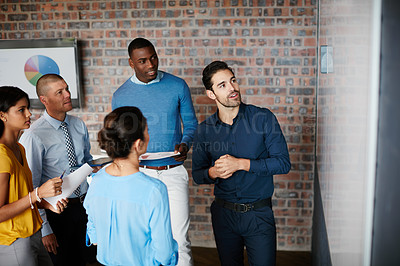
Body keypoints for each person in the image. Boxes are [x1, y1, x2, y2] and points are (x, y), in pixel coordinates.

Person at [192, 61, 291, 266]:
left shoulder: (264, 118)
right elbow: (197, 175)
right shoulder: (205, 130)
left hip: (259, 215)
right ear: (211, 94)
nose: (232, 88)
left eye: (233, 81)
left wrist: (241, 164)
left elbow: (283, 163)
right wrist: (213, 172)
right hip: (223, 216)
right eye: (223, 85)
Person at [112, 37, 197, 266]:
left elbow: (190, 124)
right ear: (131, 63)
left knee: (179, 239)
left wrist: (185, 144)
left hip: (173, 172)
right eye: (142, 61)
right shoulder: (120, 96)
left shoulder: (178, 85)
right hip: (140, 175)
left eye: (153, 58)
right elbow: (120, 138)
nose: (150, 65)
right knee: (144, 238)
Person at [84, 106, 179, 265]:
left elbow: (94, 237)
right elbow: (165, 253)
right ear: (138, 144)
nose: (149, 135)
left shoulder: (96, 179)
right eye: (147, 130)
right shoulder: (154, 190)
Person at [19, 75, 96, 266]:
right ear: (44, 99)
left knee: (88, 261)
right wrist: (45, 230)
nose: (68, 95)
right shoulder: (33, 135)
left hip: (84, 207)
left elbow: (87, 163)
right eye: (59, 92)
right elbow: (32, 185)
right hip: (55, 212)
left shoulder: (78, 125)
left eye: (67, 89)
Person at [0, 86, 67, 265]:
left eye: (28, 108)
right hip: (14, 241)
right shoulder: (1, 155)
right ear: (2, 115)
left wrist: (46, 203)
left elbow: (21, 197)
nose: (29, 114)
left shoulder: (19, 148)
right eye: (21, 110)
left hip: (32, 234)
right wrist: (38, 194)